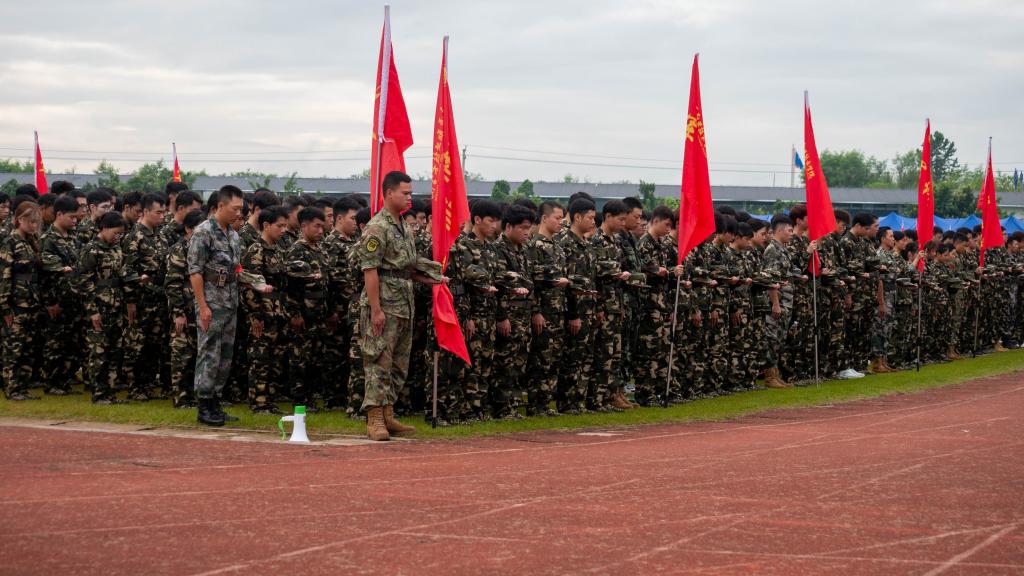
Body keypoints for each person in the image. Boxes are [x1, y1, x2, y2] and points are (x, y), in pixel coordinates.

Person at [357, 171, 443, 441]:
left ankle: (388, 413)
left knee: (398, 363)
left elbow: (407, 266)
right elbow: (370, 270)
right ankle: (374, 417)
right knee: (378, 360)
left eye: (410, 193)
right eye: (405, 193)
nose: (409, 198)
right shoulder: (377, 227)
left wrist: (432, 277)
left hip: (404, 302)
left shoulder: (403, 225)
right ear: (389, 193)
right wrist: (376, 310)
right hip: (384, 303)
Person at [188, 185, 249, 427]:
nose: (239, 214)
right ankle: (204, 405)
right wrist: (203, 306)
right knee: (209, 353)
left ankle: (215, 402)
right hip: (211, 303)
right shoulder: (203, 232)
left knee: (225, 355)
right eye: (235, 208)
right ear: (221, 205)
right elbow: (195, 272)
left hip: (230, 302)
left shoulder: (233, 234)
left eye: (241, 209)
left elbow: (235, 269)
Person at [79, 211, 133, 404]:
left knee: (114, 351)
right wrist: (92, 311)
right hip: (99, 308)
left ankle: (110, 392)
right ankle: (99, 393)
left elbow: (122, 274)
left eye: (121, 234)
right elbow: (83, 282)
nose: (118, 237)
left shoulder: (116, 248)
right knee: (99, 352)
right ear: (103, 228)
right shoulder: (92, 249)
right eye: (115, 233)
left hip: (115, 307)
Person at [0, 202, 45, 400]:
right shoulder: (10, 242)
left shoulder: (31, 242)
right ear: (19, 220)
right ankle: (12, 388)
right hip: (16, 304)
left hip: (31, 301)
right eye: (30, 221)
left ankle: (22, 387)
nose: (34, 225)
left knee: (28, 347)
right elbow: (4, 276)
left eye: (36, 222)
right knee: (14, 347)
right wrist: (5, 306)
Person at [39, 196, 83, 395]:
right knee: (55, 344)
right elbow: (44, 276)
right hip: (57, 300)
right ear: (59, 214)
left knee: (72, 343)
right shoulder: (48, 239)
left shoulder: (73, 237)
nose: (75, 220)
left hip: (73, 299)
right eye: (71, 217)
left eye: (76, 217)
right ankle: (52, 383)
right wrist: (50, 302)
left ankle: (64, 381)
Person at [165, 209, 205, 408]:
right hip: (184, 310)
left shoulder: (203, 249)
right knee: (182, 354)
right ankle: (181, 398)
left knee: (197, 354)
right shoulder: (179, 249)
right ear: (188, 229)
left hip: (199, 310)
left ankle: (194, 395)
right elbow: (172, 284)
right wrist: (178, 313)